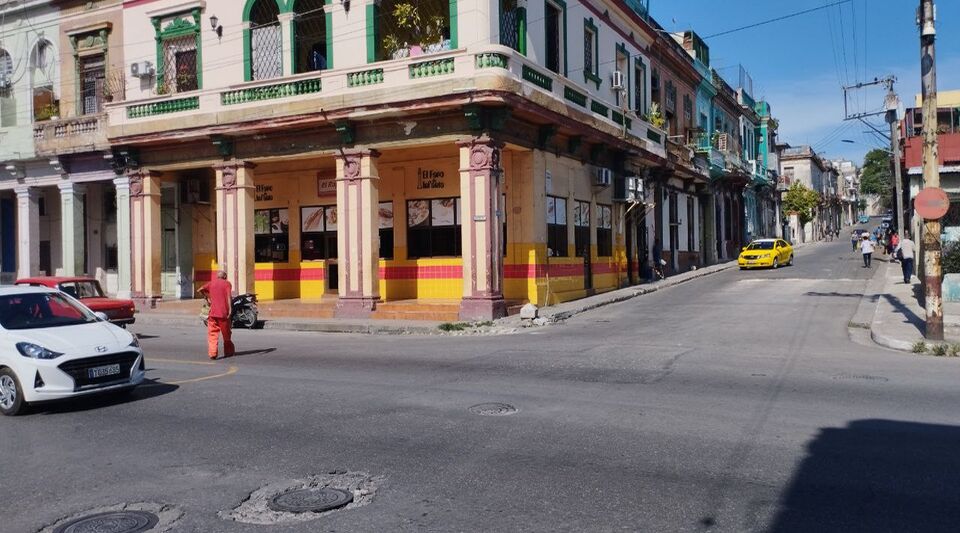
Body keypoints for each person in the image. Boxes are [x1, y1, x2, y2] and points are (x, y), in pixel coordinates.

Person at [199, 270, 235, 360]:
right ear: (225, 277)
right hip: (223, 314)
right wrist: (230, 309)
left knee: (212, 334)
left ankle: (213, 353)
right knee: (226, 334)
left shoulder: (211, 283)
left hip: (212, 314)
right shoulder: (227, 284)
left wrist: (207, 297)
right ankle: (228, 352)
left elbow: (200, 289)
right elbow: (228, 297)